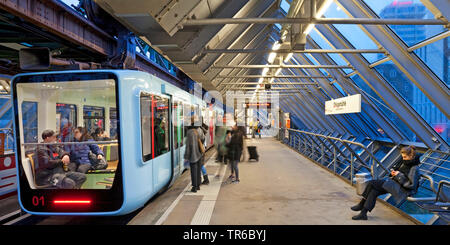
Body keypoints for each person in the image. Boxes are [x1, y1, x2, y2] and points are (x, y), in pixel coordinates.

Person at [350, 146, 421, 220]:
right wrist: (394, 173)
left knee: (372, 183)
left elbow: (411, 185)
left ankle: (361, 204)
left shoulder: (414, 168)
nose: (403, 159)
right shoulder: (405, 163)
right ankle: (363, 213)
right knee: (374, 191)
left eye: (405, 157)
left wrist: (398, 175)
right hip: (394, 184)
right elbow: (400, 173)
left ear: (411, 156)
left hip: (402, 190)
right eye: (402, 157)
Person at [184, 117, 204, 192]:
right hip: (199, 153)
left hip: (193, 154)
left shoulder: (189, 132)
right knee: (198, 170)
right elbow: (203, 138)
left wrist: (186, 156)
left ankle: (194, 187)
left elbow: (188, 146)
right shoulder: (199, 130)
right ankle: (198, 185)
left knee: (193, 171)